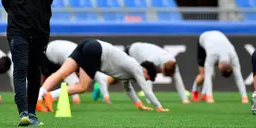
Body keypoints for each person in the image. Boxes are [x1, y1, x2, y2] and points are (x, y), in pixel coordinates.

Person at [1, 0, 57, 127]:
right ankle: (23, 112)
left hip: (40, 31)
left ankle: (32, 114)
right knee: (21, 69)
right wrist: (19, 18)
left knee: (34, 72)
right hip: (18, 30)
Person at [39, 39, 169, 112]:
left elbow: (128, 89)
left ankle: (38, 98)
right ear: (145, 71)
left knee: (61, 73)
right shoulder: (137, 68)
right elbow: (146, 90)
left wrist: (139, 105)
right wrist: (159, 107)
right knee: (82, 87)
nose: (145, 80)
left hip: (89, 44)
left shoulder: (129, 73)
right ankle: (50, 95)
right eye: (147, 78)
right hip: (97, 50)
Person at [92, 42, 189, 104]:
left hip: (141, 54)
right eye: (165, 73)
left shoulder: (173, 65)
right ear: (163, 66)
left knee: (120, 78)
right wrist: (149, 100)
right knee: (122, 76)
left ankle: (101, 84)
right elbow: (147, 79)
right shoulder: (154, 61)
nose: (165, 76)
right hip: (133, 51)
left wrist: (185, 99)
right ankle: (103, 82)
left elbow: (178, 81)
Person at [191, 30, 248, 103]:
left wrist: (244, 97)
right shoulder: (212, 55)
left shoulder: (233, 56)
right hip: (204, 38)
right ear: (219, 66)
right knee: (204, 75)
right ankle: (195, 90)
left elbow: (238, 76)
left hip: (217, 38)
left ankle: (205, 94)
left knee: (212, 75)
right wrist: (210, 97)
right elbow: (208, 75)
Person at [36, 40, 81, 112]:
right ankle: (39, 97)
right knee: (46, 75)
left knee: (52, 76)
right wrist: (76, 97)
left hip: (58, 51)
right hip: (49, 53)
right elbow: (70, 76)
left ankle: (44, 95)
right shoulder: (73, 58)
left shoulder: (79, 55)